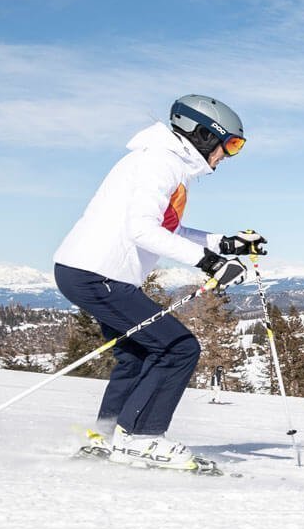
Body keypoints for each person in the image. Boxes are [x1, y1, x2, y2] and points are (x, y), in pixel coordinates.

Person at [53, 95, 260, 471]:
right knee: (179, 348)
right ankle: (143, 438)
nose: (228, 156)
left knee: (137, 353)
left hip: (89, 271)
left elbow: (170, 229)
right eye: (230, 144)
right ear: (202, 134)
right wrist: (210, 263)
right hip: (98, 274)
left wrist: (224, 244)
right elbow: (142, 230)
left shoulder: (167, 164)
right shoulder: (159, 163)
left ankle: (106, 436)